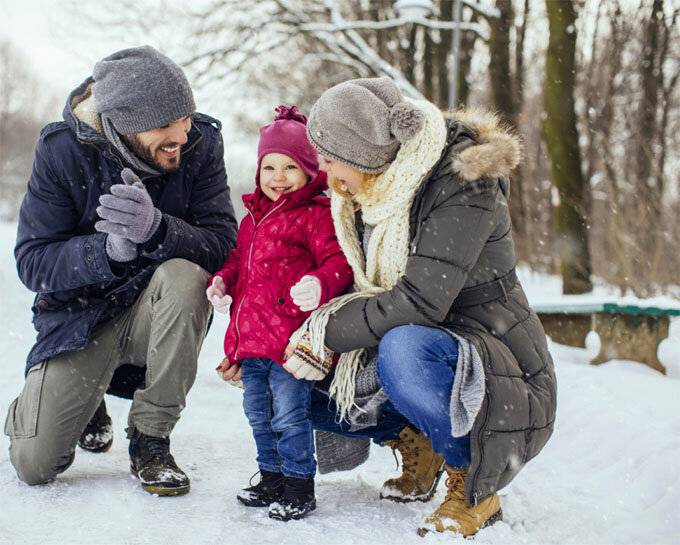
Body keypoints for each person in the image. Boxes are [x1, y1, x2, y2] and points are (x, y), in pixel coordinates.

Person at [286, 77, 557, 537]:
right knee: (286, 368)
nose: (322, 167)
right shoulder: (370, 191)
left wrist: (324, 331)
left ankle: (473, 481)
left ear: (365, 153)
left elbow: (419, 303)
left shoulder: (464, 183)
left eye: (330, 156)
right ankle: (420, 439)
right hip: (430, 343)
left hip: (498, 370)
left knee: (402, 350)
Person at [4, 45, 238, 496]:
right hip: (80, 321)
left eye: (185, 121)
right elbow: (33, 262)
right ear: (122, 128)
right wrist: (107, 252)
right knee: (34, 465)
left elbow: (223, 245)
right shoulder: (61, 151)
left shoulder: (201, 143)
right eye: (164, 131)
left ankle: (150, 438)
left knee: (187, 276)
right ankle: (69, 400)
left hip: (156, 312)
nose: (182, 138)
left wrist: (157, 230)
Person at [206, 105, 353, 520]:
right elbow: (238, 263)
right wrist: (222, 282)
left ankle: (299, 485)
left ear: (310, 171)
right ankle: (270, 476)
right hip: (253, 340)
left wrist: (320, 283)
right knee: (257, 412)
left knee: (289, 415)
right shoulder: (251, 219)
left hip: (292, 342)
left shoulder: (315, 215)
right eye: (269, 167)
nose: (278, 177)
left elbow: (339, 261)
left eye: (290, 167)